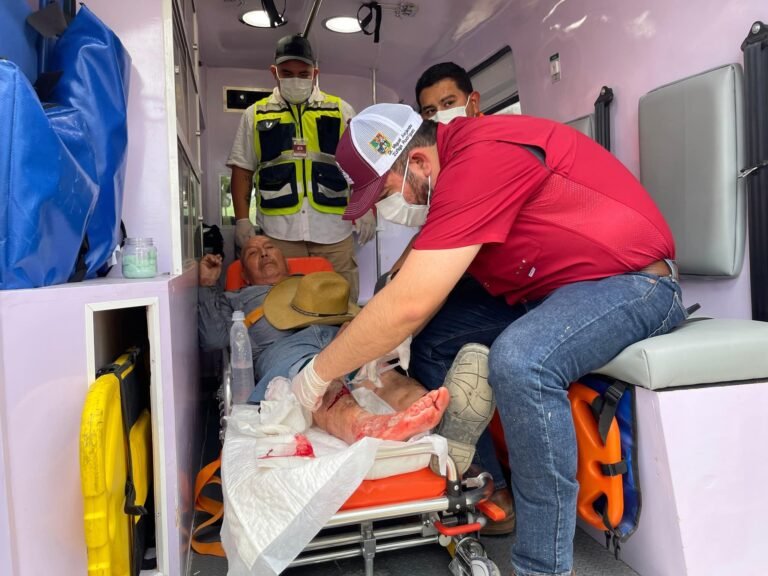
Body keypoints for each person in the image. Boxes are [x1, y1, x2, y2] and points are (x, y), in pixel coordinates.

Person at [290, 103, 687, 576]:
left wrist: (318, 373)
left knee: (521, 361)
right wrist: (386, 340)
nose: (387, 208)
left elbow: (410, 302)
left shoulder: (483, 156)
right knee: (432, 339)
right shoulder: (456, 172)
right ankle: (486, 483)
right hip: (549, 294)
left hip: (635, 285)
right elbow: (411, 286)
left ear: (417, 163)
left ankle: (542, 567)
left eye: (386, 192)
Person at [197, 235, 493, 448]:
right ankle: (366, 426)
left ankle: (435, 419)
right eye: (252, 253)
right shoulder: (238, 298)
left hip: (339, 336)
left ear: (285, 261)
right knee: (318, 381)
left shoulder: (315, 282)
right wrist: (209, 283)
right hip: (285, 350)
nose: (264, 253)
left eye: (270, 247)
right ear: (245, 276)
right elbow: (213, 337)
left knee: (378, 372)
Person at [226, 34, 375, 303]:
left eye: (303, 73)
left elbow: (362, 165)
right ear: (274, 73)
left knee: (342, 301)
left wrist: (365, 208)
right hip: (280, 232)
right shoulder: (255, 114)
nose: (296, 79)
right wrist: (241, 220)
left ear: (315, 73)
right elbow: (242, 170)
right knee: (286, 302)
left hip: (334, 230)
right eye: (287, 73)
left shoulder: (340, 110)